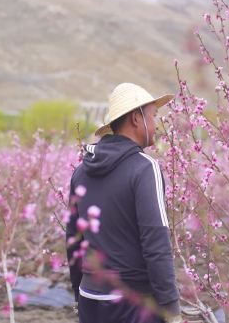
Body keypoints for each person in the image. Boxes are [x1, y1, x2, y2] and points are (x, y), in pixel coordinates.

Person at [66, 82, 182, 323]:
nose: (156, 125)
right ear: (136, 119)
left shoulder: (81, 172)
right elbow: (155, 241)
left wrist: (79, 293)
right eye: (153, 116)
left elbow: (73, 240)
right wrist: (171, 309)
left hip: (91, 296)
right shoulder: (145, 168)